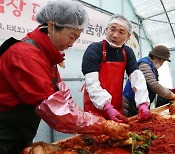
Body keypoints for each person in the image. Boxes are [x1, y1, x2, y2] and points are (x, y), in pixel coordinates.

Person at [0, 1, 129, 153]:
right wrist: (102, 125)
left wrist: (96, 120)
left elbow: (65, 99)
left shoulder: (48, 58)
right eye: (71, 37)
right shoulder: (25, 56)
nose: (71, 44)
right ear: (51, 26)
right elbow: (57, 114)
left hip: (19, 136)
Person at [82, 14, 151, 124]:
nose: (115, 35)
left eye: (121, 32)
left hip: (116, 106)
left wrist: (142, 103)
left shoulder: (127, 52)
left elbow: (136, 77)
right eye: (112, 29)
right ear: (106, 30)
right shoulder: (94, 49)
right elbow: (91, 83)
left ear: (128, 37)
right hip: (95, 108)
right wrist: (107, 106)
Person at [123, 45, 175, 116]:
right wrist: (171, 95)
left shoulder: (151, 66)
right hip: (131, 103)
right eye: (162, 62)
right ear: (156, 58)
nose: (162, 64)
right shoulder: (144, 65)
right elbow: (153, 84)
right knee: (132, 123)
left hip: (139, 103)